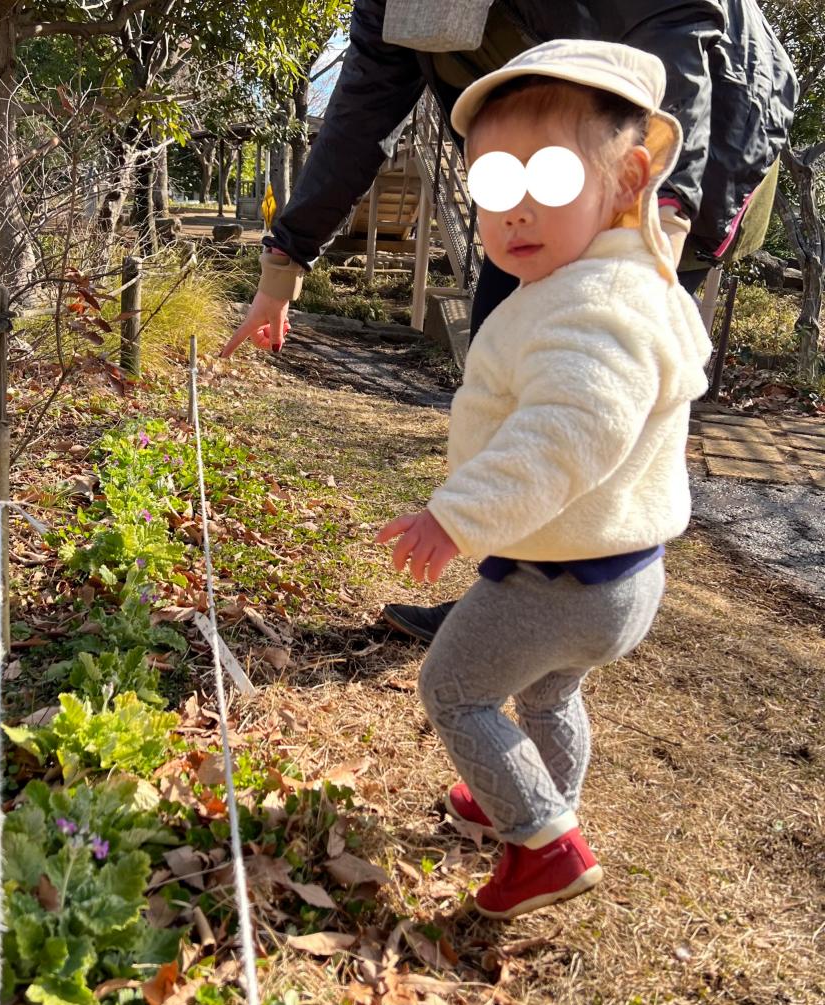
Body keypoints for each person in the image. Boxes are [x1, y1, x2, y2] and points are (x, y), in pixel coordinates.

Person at [220, 0, 797, 643]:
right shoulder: (391, 9)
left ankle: (582, 597)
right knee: (502, 364)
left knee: (584, 387)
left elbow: (678, 48)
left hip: (680, 155)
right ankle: (519, 593)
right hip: (549, 173)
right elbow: (361, 114)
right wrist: (286, 259)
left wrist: (652, 224)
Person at [374, 38, 712, 918]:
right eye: (493, 187)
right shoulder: (626, 281)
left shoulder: (593, 305)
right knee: (549, 690)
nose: (516, 213)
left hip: (553, 581)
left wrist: (459, 515)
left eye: (551, 181)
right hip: (621, 579)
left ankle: (545, 845)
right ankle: (520, 800)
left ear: (628, 179)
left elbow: (569, 433)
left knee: (453, 689)